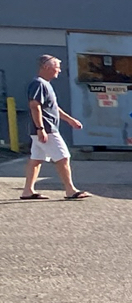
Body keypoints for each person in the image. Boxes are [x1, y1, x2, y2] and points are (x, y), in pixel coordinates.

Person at [22, 53, 90, 200]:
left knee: (36, 159)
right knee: (63, 157)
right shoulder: (38, 84)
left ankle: (27, 191)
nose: (59, 70)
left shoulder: (45, 84)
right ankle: (70, 190)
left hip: (43, 129)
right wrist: (41, 129)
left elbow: (53, 107)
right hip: (46, 129)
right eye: (57, 67)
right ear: (46, 67)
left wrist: (70, 120)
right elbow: (35, 106)